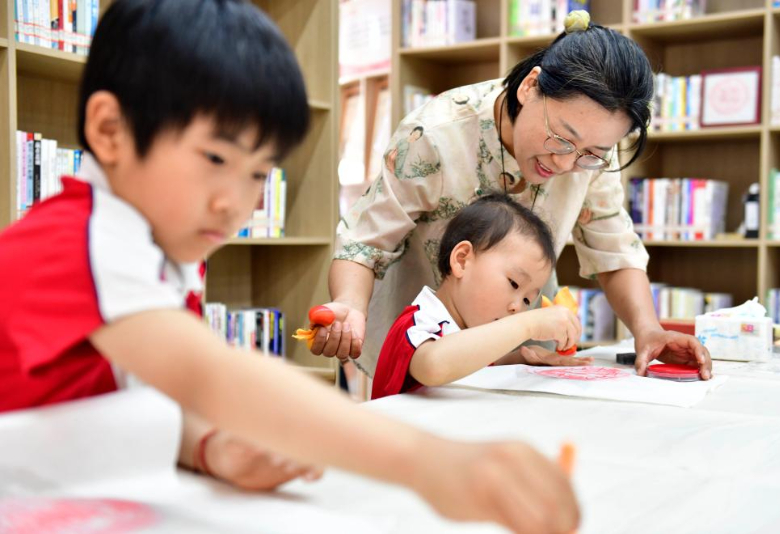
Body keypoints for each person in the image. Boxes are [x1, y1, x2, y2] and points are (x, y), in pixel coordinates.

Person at [0, 1, 579, 532]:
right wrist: (428, 463)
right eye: (216, 158)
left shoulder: (159, 253)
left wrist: (207, 448)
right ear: (110, 131)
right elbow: (209, 378)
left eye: (258, 173)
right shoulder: (79, 244)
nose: (235, 202)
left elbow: (134, 395)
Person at [313, 10, 712, 382]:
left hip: (518, 351)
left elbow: (614, 249)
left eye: (592, 152)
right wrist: (349, 304)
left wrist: (648, 330)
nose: (565, 162)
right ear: (530, 86)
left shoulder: (591, 160)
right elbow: (366, 243)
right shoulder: (436, 135)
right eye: (561, 138)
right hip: (426, 345)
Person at [371, 193, 590, 400]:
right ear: (462, 260)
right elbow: (434, 366)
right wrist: (528, 325)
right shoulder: (417, 324)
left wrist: (521, 358)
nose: (518, 308)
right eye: (514, 283)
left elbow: (471, 365)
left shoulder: (467, 332)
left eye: (527, 300)